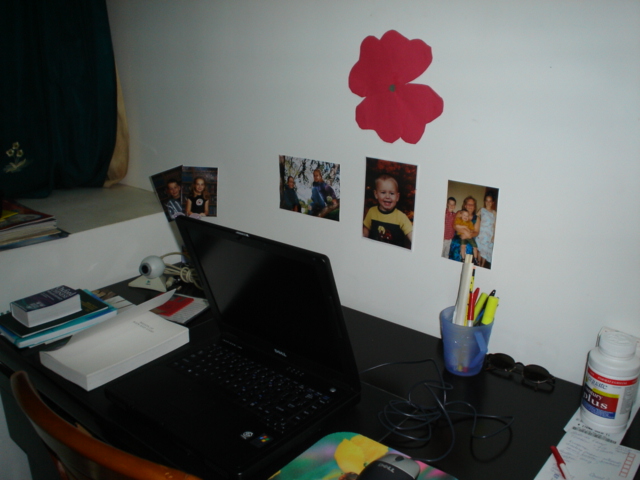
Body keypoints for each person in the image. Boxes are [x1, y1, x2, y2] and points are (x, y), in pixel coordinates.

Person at [363, 174, 413, 248]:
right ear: (376, 194)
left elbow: (411, 235)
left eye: (392, 193)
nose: (387, 196)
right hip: (374, 250)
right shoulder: (372, 212)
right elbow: (365, 231)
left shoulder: (401, 217)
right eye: (383, 192)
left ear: (397, 197)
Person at [448, 195, 479, 262]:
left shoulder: (477, 218)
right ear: (465, 205)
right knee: (457, 245)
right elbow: (454, 225)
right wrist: (465, 232)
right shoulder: (460, 213)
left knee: (471, 247)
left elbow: (476, 232)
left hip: (469, 238)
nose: (470, 206)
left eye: (472, 204)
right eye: (468, 204)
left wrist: (469, 235)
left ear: (474, 207)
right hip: (458, 237)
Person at [476, 193, 497, 268]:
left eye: (490, 201)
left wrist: (494, 235)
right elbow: (475, 217)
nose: (488, 202)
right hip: (481, 233)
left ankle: (482, 265)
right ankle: (478, 264)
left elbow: (495, 224)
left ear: (492, 202)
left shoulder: (494, 212)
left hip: (489, 234)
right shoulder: (482, 210)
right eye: (487, 200)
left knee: (485, 250)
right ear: (485, 201)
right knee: (480, 249)